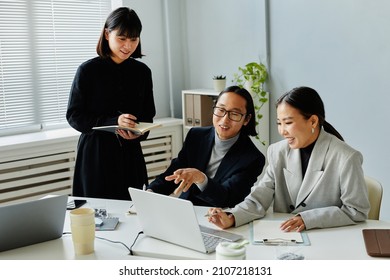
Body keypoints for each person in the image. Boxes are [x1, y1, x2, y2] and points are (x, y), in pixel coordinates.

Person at [208, 86, 370, 231]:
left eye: (288, 122)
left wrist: (308, 220)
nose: (282, 131)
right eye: (279, 123)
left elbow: (356, 210)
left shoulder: (347, 157)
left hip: (327, 239)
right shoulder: (277, 152)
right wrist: (231, 217)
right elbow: (258, 199)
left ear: (313, 121)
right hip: (285, 238)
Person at [66, 7, 155, 200]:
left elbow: (148, 116)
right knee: (97, 216)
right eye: (122, 38)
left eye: (134, 39)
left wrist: (138, 135)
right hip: (96, 155)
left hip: (130, 155)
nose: (128, 45)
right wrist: (114, 121)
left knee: (135, 212)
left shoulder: (142, 72)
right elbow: (74, 116)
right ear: (107, 34)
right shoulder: (88, 71)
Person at [146, 86, 266, 207]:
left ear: (247, 119)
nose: (225, 120)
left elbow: (228, 197)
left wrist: (201, 179)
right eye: (221, 110)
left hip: (221, 217)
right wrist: (150, 193)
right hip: (185, 209)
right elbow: (174, 174)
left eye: (234, 114)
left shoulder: (253, 158)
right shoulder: (196, 136)